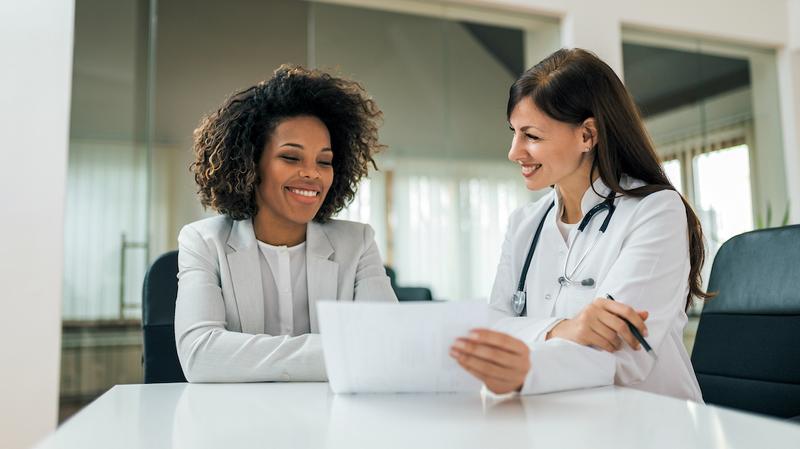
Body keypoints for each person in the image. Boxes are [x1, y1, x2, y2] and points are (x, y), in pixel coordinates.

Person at [449, 48, 710, 401]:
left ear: (587, 135)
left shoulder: (655, 211)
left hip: (651, 422)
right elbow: (493, 327)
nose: (514, 152)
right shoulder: (524, 224)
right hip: (556, 417)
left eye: (532, 136)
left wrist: (526, 363)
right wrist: (568, 328)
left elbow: (621, 354)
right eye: (514, 132)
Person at [175, 65, 397, 383]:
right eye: (291, 158)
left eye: (324, 161)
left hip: (334, 424)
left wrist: (241, 357)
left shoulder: (358, 243)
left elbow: (387, 350)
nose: (312, 174)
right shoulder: (203, 241)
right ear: (251, 163)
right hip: (233, 424)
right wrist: (345, 353)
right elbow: (200, 356)